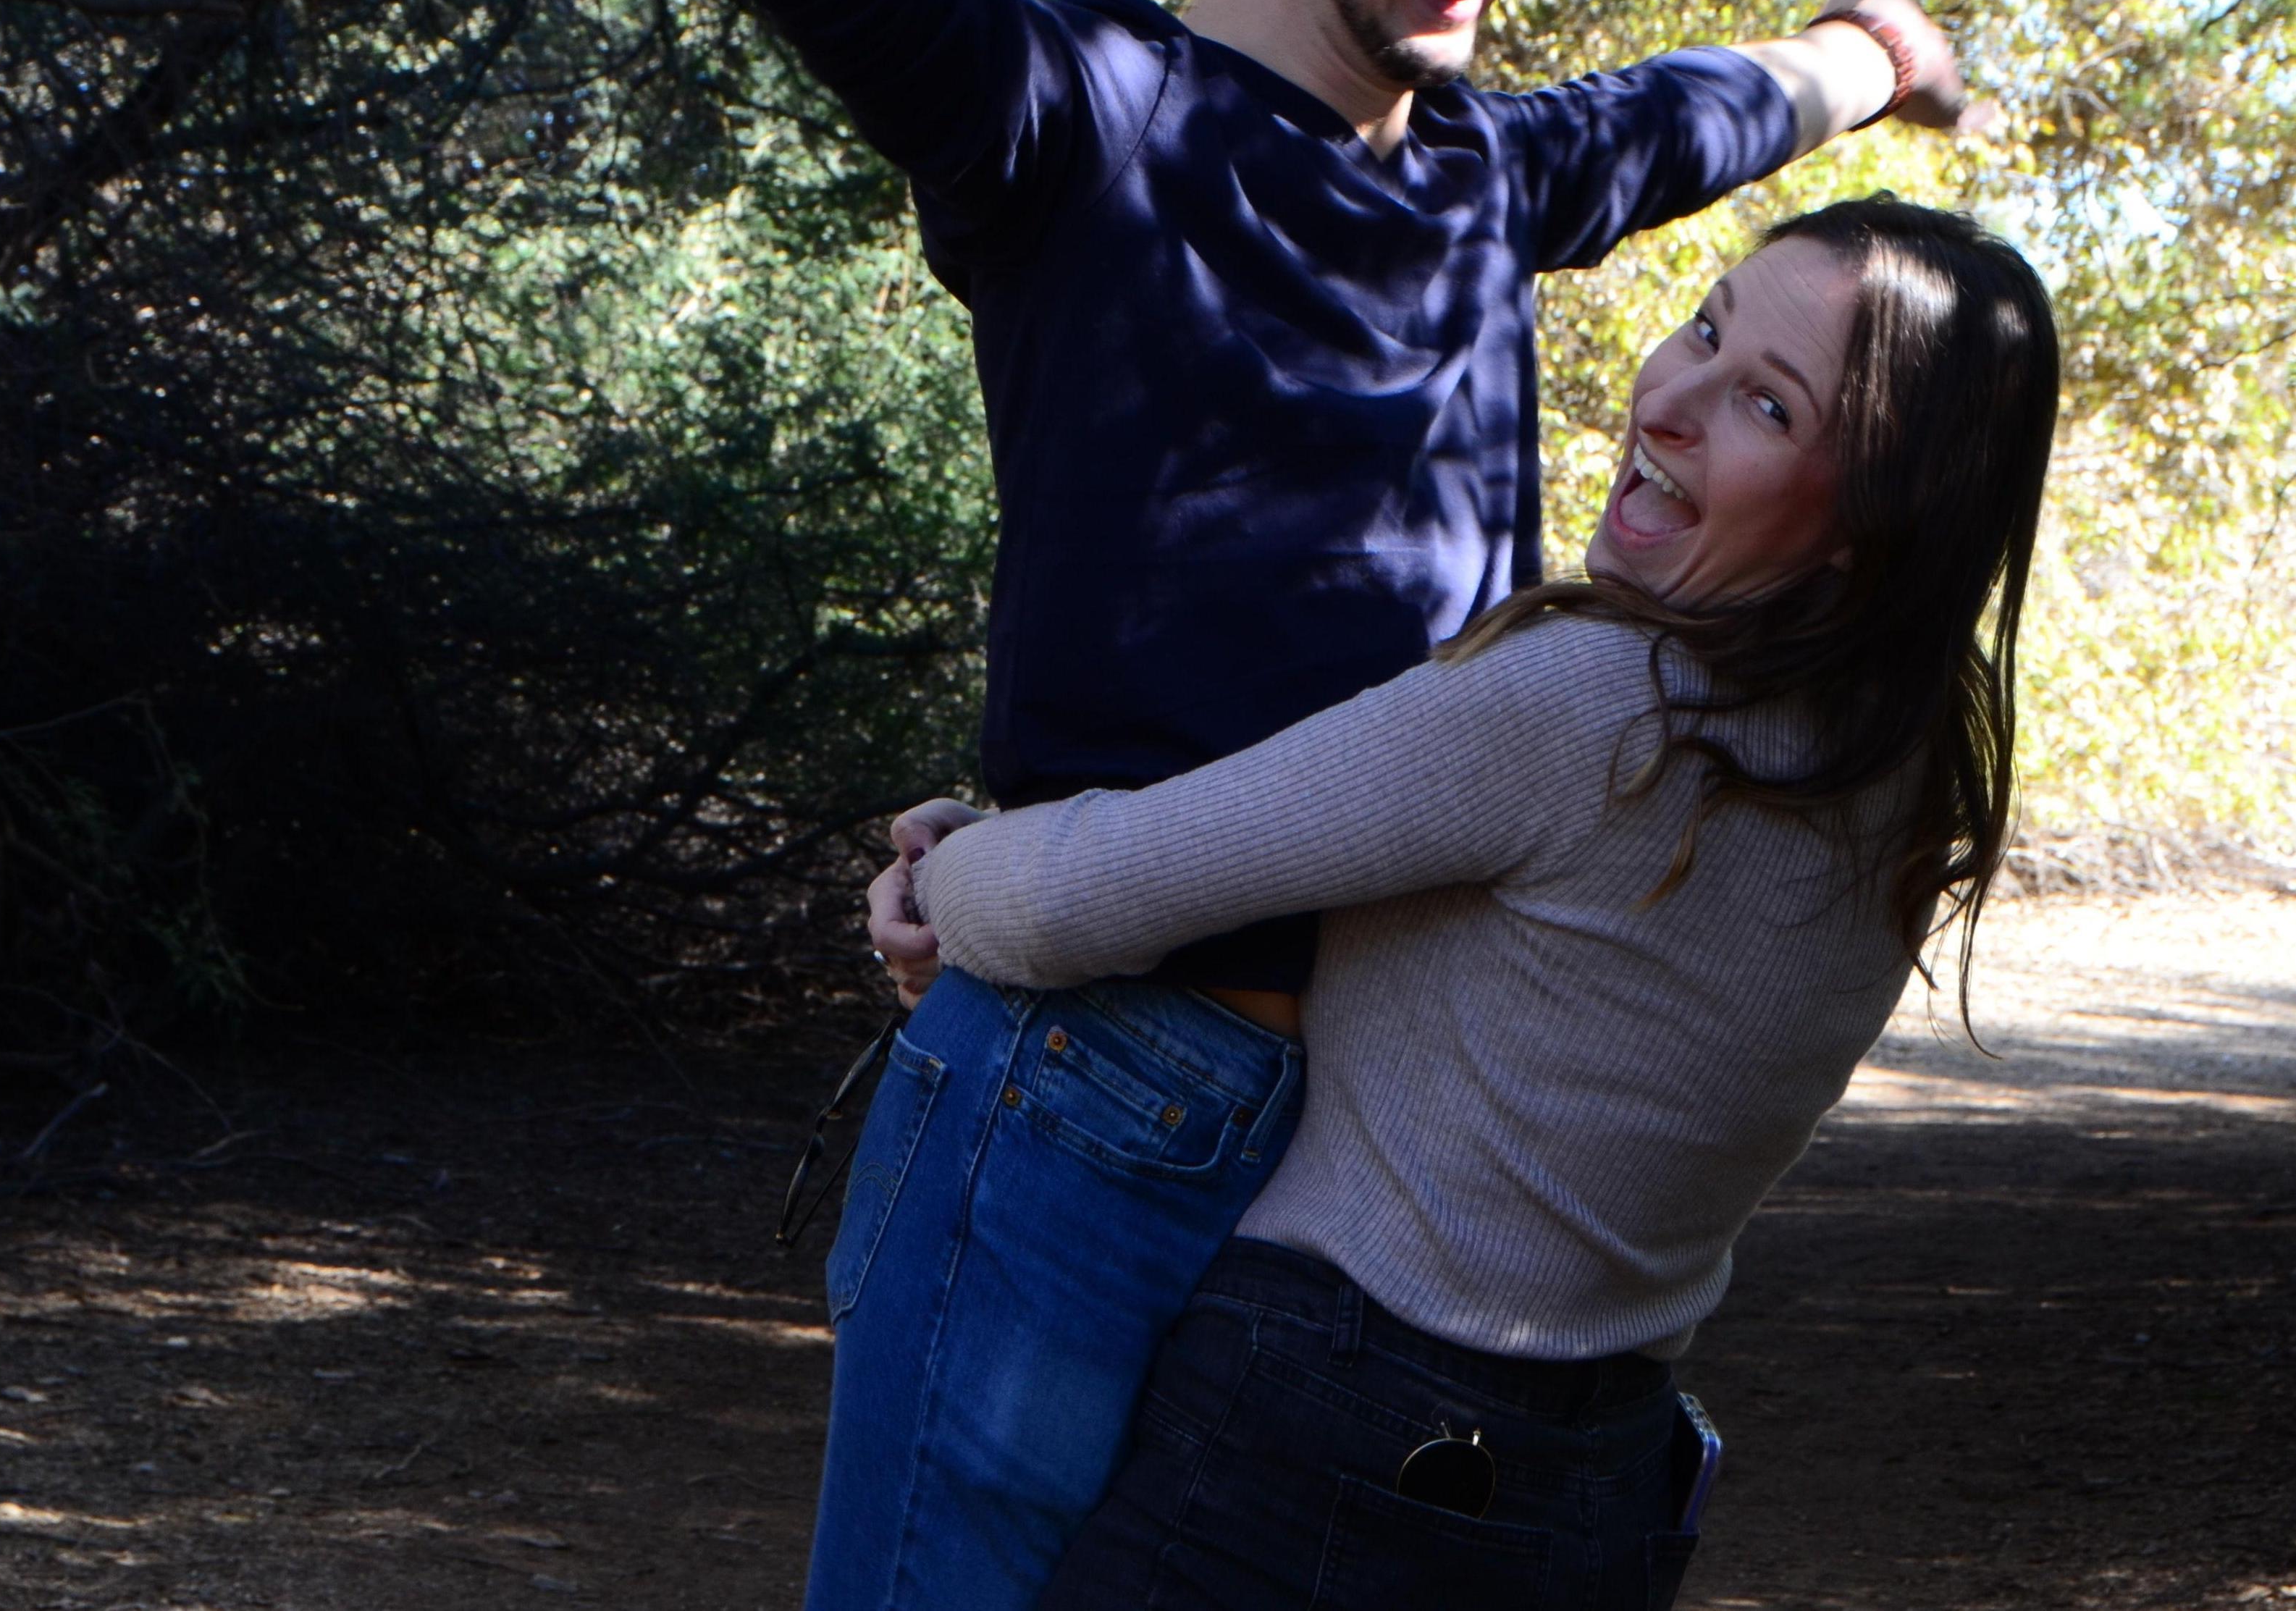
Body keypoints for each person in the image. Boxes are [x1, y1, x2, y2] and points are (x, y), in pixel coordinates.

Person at [256, 0, 1984, 1611]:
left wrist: (1867, 51)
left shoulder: (1479, 175)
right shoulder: (1095, 125)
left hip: (1363, 1166)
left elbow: (1705, 117)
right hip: (1084, 1095)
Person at [878, 195, 2059, 1610]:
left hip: (1325, 1434)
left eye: (1763, 401)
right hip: (1596, 1481)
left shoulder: (1600, 702)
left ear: (1874, 522)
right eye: (1704, 322)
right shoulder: (1904, 773)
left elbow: (1086, 893)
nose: (1670, 397)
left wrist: (941, 868)